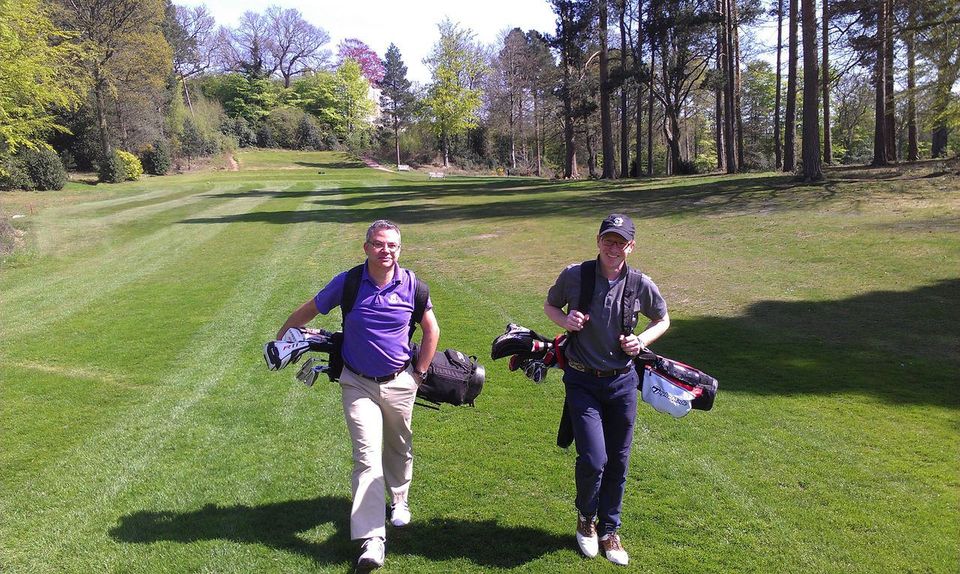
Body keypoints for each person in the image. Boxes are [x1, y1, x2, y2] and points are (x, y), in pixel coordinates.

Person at [276, 219, 439, 570]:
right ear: (366, 247)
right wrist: (284, 333)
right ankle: (372, 540)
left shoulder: (413, 285)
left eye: (392, 245)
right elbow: (312, 308)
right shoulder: (348, 282)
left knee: (399, 445)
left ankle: (399, 498)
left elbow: (431, 331)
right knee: (366, 456)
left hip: (400, 381)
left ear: (400, 249)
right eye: (378, 244)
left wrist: (418, 375)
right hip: (357, 383)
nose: (385, 251)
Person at [544, 213, 670, 566]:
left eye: (621, 242)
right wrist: (565, 320)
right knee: (594, 459)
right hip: (582, 380)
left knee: (618, 459)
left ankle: (610, 530)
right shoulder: (575, 275)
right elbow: (551, 305)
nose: (613, 248)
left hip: (622, 383)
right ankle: (586, 518)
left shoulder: (639, 283)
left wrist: (641, 341)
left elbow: (663, 318)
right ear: (598, 241)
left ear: (631, 246)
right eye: (608, 240)